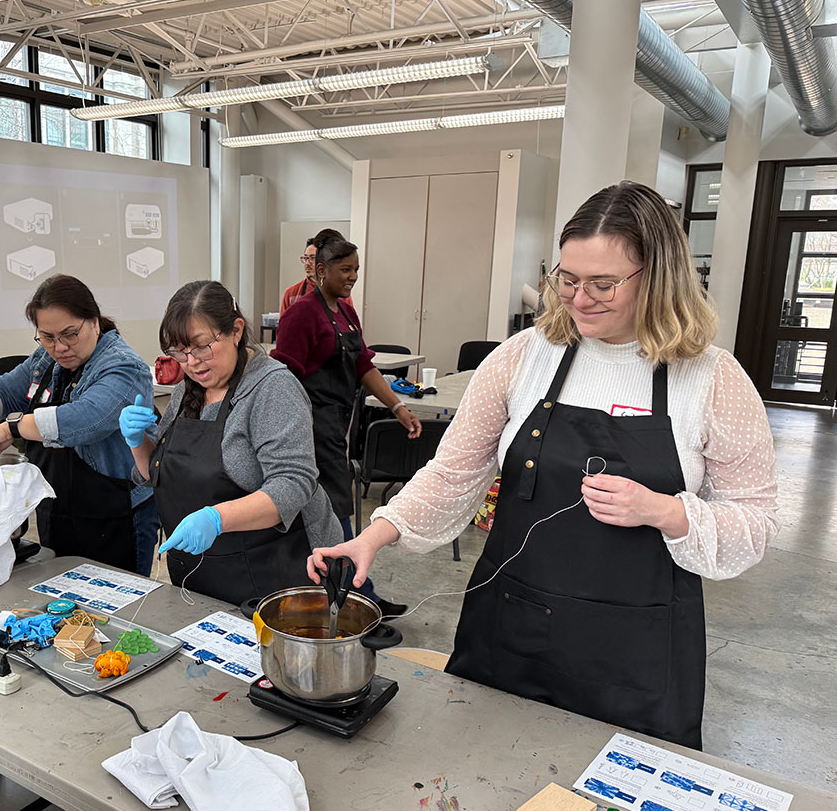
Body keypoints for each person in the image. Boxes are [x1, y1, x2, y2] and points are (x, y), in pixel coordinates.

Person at [308, 182, 780, 749]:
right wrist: (375, 537)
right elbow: (453, 473)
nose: (580, 300)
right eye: (569, 279)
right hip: (512, 628)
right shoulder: (523, 357)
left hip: (636, 652)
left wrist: (666, 512)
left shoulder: (712, 379)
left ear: (659, 276)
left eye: (603, 284)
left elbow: (754, 522)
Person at [121, 280, 343, 606]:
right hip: (203, 572)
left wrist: (216, 519)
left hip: (278, 574)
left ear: (236, 331)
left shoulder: (272, 388)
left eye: (201, 346)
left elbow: (293, 486)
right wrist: (137, 442)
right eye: (179, 351)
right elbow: (156, 473)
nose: (192, 362)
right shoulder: (190, 387)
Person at [0, 275, 159, 575]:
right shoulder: (46, 360)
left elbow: (85, 419)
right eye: (47, 337)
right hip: (59, 510)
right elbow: (5, 389)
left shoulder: (123, 366)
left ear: (93, 322)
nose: (60, 347)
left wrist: (10, 428)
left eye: (70, 334)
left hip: (116, 518)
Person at [272, 238, 421, 540]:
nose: (352, 276)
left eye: (356, 269)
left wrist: (397, 407)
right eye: (345, 269)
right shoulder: (300, 315)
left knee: (330, 502)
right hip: (310, 429)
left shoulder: (346, 313)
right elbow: (283, 380)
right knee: (331, 504)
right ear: (322, 270)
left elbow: (363, 366)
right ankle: (350, 574)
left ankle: (341, 570)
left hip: (337, 424)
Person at [279, 228, 350, 315]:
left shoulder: (339, 293)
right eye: (305, 258)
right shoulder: (291, 293)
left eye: (312, 258)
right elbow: (283, 326)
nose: (307, 263)